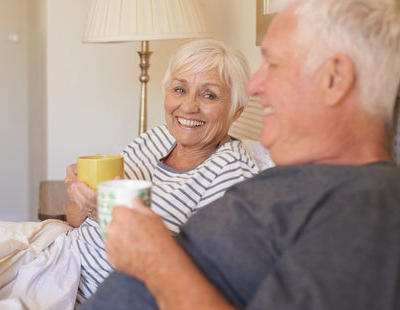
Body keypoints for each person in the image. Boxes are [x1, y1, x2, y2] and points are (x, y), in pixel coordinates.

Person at [78, 0, 400, 309]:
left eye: (272, 64)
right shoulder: (300, 181)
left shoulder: (368, 203)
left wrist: (154, 258)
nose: (255, 86)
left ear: (334, 79)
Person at [65, 39, 272, 304]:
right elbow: (73, 220)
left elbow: (191, 278)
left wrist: (108, 214)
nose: (188, 107)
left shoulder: (230, 172)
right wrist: (82, 200)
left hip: (101, 297)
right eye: (180, 89)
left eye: (209, 95)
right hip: (64, 267)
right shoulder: (155, 138)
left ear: (236, 112)